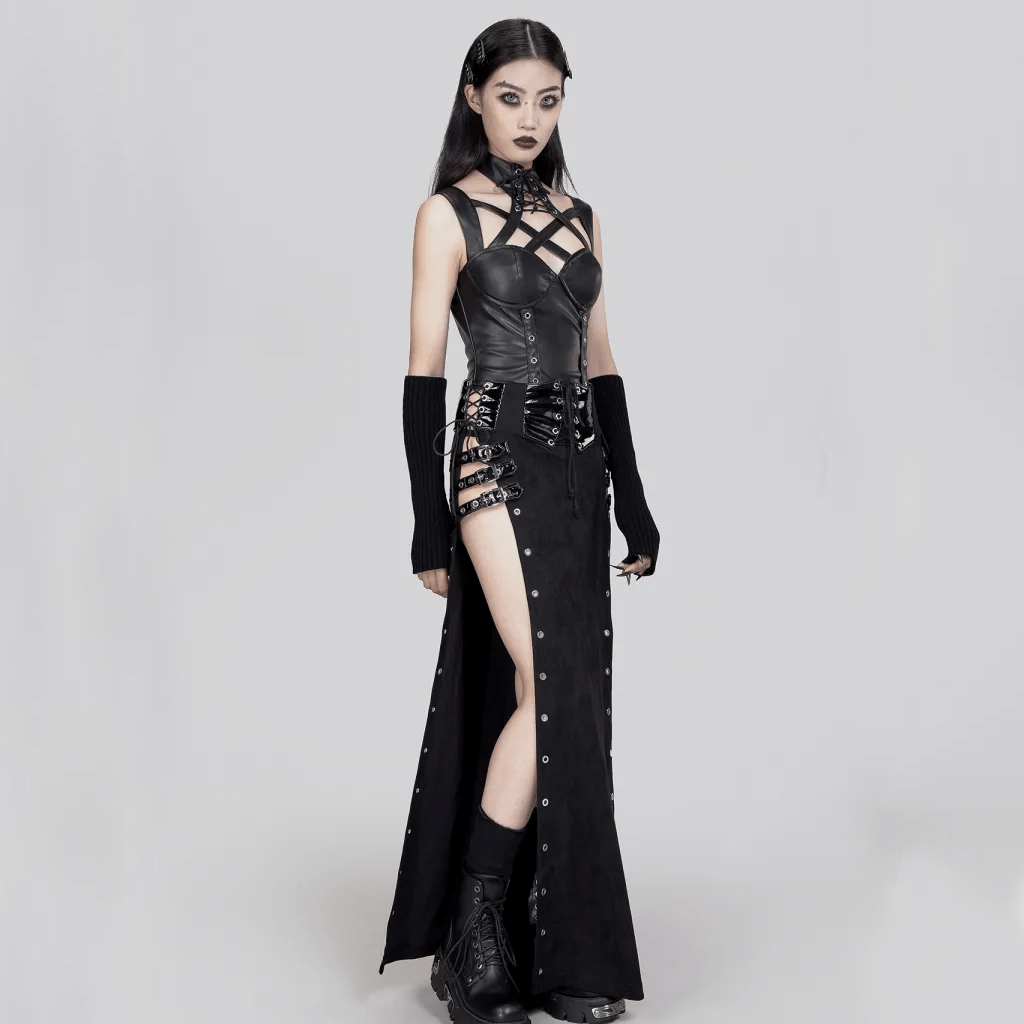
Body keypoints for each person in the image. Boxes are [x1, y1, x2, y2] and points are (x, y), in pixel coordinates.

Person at [378, 18, 660, 1024]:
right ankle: (473, 932)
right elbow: (422, 375)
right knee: (545, 684)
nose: (529, 118)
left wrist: (635, 497)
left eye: (547, 99)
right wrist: (427, 527)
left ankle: (557, 946)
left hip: (578, 470)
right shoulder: (444, 214)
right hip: (491, 458)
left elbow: (602, 362)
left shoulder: (583, 216)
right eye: (510, 98)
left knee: (573, 700)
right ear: (474, 97)